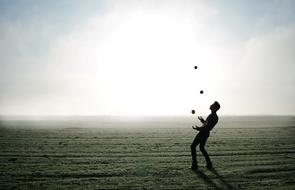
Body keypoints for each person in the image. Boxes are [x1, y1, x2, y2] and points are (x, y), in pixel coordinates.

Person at [191, 101, 220, 170]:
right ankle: (209, 163)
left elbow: (207, 127)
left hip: (203, 133)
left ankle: (195, 164)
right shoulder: (214, 116)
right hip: (206, 133)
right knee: (201, 148)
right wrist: (202, 121)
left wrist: (198, 128)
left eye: (212, 105)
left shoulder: (212, 116)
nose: (210, 105)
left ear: (215, 108)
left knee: (193, 146)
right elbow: (207, 125)